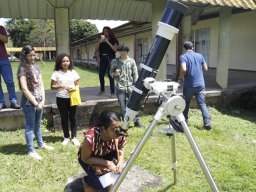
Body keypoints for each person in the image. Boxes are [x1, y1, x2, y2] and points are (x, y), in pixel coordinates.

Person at [18, 45, 54, 160]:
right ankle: (31, 151)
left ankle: (41, 144)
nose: (33, 57)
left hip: (39, 100)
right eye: (30, 55)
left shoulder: (37, 67)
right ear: (25, 56)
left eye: (34, 55)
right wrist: (35, 103)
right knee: (30, 126)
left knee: (38, 125)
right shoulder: (22, 69)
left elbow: (41, 84)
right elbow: (24, 89)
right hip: (29, 103)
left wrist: (43, 99)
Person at [78, 110, 126, 192]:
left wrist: (120, 161)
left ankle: (107, 182)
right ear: (103, 129)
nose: (118, 131)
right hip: (90, 158)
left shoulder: (118, 132)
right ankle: (86, 181)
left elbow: (121, 147)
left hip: (107, 153)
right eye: (114, 129)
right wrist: (108, 163)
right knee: (99, 184)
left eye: (119, 127)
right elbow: (85, 158)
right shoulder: (91, 137)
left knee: (116, 173)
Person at [178, 41, 211, 130]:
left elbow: (184, 69)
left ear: (184, 48)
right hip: (200, 84)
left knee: (185, 103)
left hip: (189, 84)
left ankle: (184, 122)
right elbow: (206, 68)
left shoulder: (183, 56)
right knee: (202, 104)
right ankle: (207, 123)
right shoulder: (200, 56)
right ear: (192, 47)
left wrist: (180, 78)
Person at [110, 43, 144, 128]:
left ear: (127, 51)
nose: (123, 52)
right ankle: (126, 123)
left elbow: (135, 74)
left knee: (134, 105)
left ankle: (137, 121)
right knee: (123, 107)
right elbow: (111, 73)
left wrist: (136, 85)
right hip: (120, 87)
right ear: (118, 51)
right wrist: (115, 74)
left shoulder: (131, 61)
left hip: (131, 87)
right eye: (121, 51)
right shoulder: (115, 61)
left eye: (124, 51)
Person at [51, 53, 81, 146]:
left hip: (72, 97)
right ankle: (66, 137)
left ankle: (74, 137)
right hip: (61, 98)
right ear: (60, 62)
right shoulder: (56, 73)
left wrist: (75, 88)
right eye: (63, 61)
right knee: (64, 118)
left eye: (67, 61)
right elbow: (52, 86)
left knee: (73, 118)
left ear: (70, 62)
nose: (65, 63)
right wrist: (60, 85)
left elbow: (77, 84)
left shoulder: (73, 72)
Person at [0, 25, 20, 110]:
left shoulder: (1, 28)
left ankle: (13, 101)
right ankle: (1, 102)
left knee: (9, 81)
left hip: (3, 58)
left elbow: (5, 40)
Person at [95, 26, 119, 97]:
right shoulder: (100, 40)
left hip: (111, 57)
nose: (105, 33)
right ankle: (102, 90)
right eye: (104, 31)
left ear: (109, 32)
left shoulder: (113, 39)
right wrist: (100, 41)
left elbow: (115, 50)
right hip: (102, 57)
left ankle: (112, 93)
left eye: (107, 31)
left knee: (111, 75)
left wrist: (107, 41)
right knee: (101, 74)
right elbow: (96, 49)